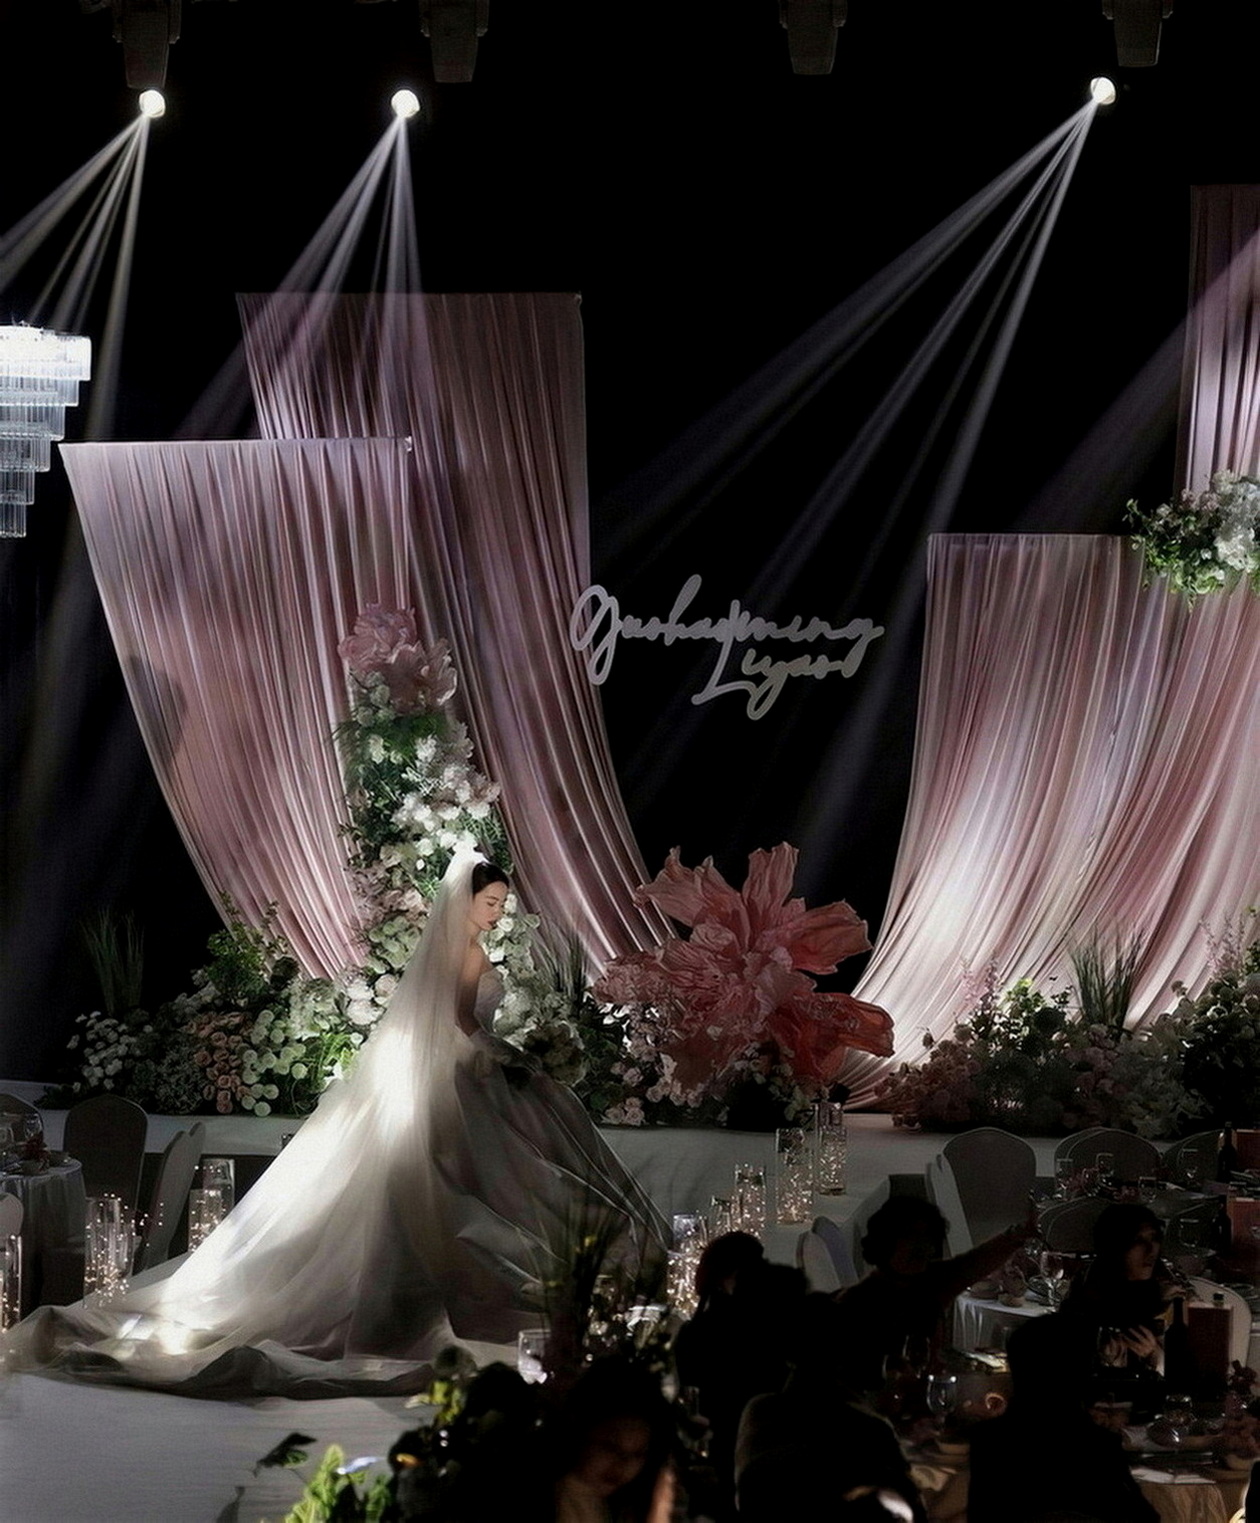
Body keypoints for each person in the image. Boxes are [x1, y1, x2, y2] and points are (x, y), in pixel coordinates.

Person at [4, 849, 665, 1397]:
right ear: (465, 902)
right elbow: (462, 1023)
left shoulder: (458, 951)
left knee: (499, 1175)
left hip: (470, 1081)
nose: (496, 913)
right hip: (471, 1079)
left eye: (500, 904)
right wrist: (510, 1054)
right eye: (490, 902)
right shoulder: (465, 954)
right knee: (484, 1182)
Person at [830, 1195, 1035, 1395]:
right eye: (910, 1237)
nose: (921, 1247)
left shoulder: (930, 1280)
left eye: (927, 1238)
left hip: (929, 1394)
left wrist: (1018, 1234)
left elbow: (975, 1263)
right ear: (886, 1241)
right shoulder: (856, 1302)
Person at [967, 1314, 1159, 1523]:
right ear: (1080, 1376)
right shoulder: (1097, 1443)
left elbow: (979, 1516)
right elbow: (1145, 1518)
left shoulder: (987, 1440)